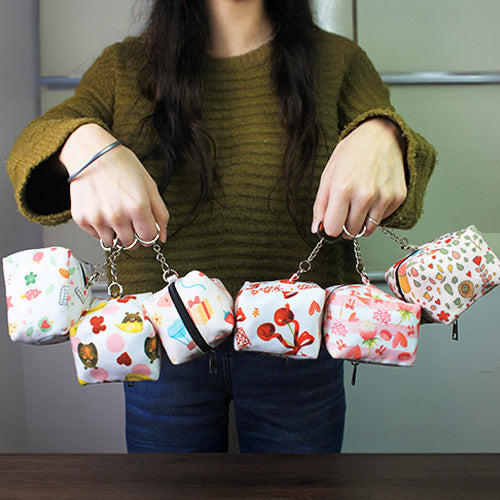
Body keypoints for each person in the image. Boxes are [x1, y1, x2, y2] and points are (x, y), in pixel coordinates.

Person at [6, 0, 436, 453]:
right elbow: (29, 151)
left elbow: (409, 175)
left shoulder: (339, 61)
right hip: (159, 341)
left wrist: (384, 133)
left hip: (299, 341)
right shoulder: (123, 67)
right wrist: (82, 144)